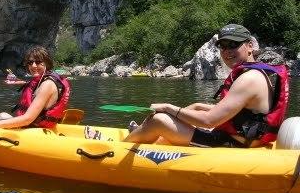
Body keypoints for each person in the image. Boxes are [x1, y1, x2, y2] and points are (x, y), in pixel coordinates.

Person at [122, 24, 289, 148]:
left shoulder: (249, 78)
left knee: (159, 119)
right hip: (241, 138)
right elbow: (239, 112)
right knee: (195, 108)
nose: (227, 51)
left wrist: (168, 108)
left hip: (230, 144)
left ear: (250, 46)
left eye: (233, 45)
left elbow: (209, 121)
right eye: (223, 46)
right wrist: (196, 106)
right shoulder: (256, 73)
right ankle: (145, 134)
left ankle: (122, 147)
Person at [0, 46, 71, 129]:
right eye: (30, 62)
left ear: (47, 63)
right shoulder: (45, 81)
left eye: (38, 62)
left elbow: (27, 119)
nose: (33, 66)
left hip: (32, 130)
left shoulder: (47, 85)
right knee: (2, 114)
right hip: (34, 126)